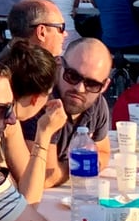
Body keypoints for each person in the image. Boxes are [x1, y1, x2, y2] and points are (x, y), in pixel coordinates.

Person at [24, 36, 112, 187]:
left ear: (104, 86)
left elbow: (104, 153)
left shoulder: (97, 103)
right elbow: (46, 176)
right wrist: (80, 165)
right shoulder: (39, 101)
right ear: (58, 65)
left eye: (92, 84)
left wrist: (66, 168)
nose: (79, 89)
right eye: (72, 76)